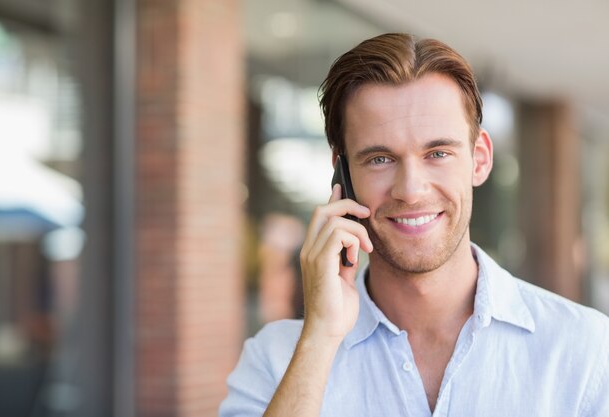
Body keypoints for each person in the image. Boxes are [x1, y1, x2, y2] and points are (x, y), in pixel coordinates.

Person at [220, 33, 609, 417]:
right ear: (342, 172)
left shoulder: (586, 351)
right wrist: (320, 338)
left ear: (479, 159)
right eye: (379, 159)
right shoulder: (276, 361)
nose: (410, 190)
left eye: (437, 153)